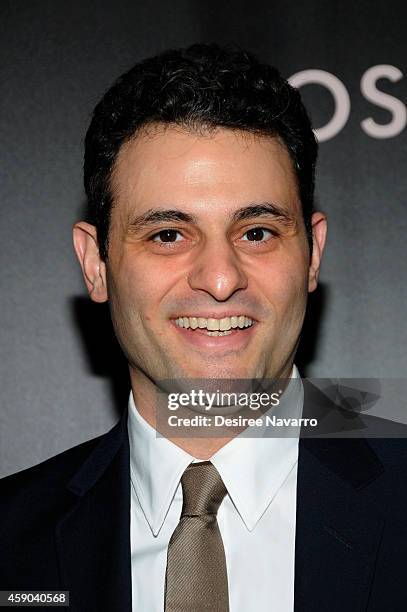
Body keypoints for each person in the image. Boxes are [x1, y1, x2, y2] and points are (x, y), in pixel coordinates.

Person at [0, 43, 406, 612]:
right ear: (95, 263)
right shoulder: (11, 540)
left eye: (257, 232)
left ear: (313, 253)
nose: (219, 279)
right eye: (168, 234)